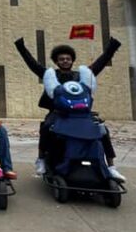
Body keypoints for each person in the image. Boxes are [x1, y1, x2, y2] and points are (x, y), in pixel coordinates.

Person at [14, 36, 125, 181]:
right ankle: (41, 159)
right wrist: (21, 47)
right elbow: (33, 65)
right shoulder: (51, 75)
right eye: (61, 59)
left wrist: (112, 48)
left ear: (72, 60)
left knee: (102, 130)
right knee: (47, 127)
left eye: (68, 58)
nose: (65, 61)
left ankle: (111, 166)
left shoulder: (81, 76)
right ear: (56, 61)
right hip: (59, 113)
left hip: (81, 114)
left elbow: (100, 64)